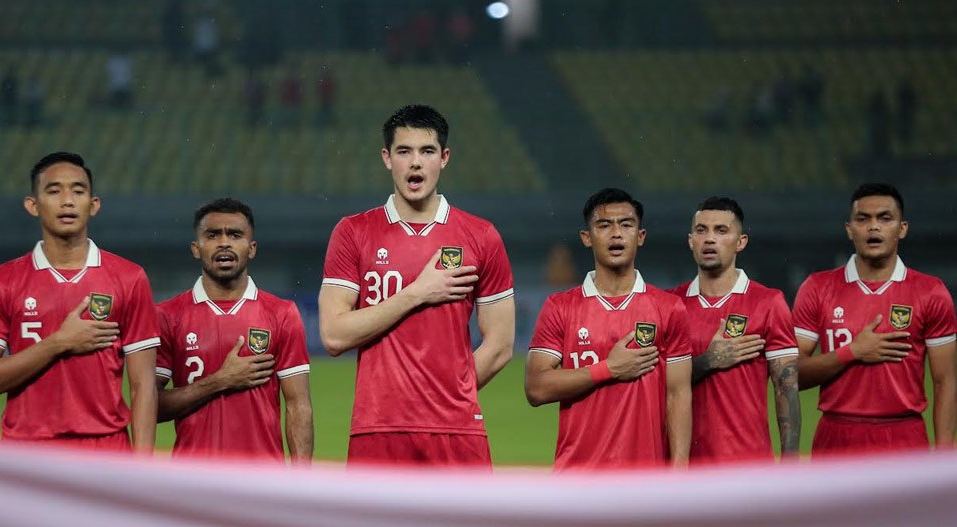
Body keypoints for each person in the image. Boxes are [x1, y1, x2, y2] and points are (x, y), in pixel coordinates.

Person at [319, 104, 515, 466]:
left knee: (464, 525)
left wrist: (449, 396)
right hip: (377, 428)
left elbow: (501, 345)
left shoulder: (481, 236)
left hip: (457, 430)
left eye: (426, 151)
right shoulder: (353, 232)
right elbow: (334, 335)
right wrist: (417, 292)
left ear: (444, 158)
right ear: (386, 158)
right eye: (403, 151)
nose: (415, 163)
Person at [0, 152, 159, 451]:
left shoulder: (129, 278)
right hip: (27, 454)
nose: (67, 200)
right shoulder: (4, 280)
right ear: (33, 205)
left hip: (105, 452)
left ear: (93, 205)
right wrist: (58, 343)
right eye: (54, 191)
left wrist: (144, 472)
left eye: (78, 191)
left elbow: (143, 385)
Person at [525, 188, 692, 470]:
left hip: (645, 481)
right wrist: (608, 369)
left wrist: (678, 471)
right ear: (586, 238)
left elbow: (678, 395)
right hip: (578, 482)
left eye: (626, 224)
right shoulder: (560, 307)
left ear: (640, 237)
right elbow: (536, 388)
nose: (616, 233)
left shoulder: (669, 308)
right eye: (604, 225)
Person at [793, 182, 956, 455]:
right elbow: (790, 375)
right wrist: (853, 352)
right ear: (849, 229)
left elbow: (946, 381)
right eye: (863, 219)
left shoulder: (930, 292)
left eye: (884, 218)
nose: (873, 227)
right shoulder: (817, 288)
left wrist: (944, 456)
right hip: (836, 436)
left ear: (902, 228)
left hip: (905, 438)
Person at [155, 198, 313, 462]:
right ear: (196, 248)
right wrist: (220, 381)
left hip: (261, 480)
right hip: (193, 480)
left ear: (251, 248)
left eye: (235, 234)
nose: (224, 242)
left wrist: (301, 482)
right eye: (213, 234)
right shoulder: (167, 315)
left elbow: (298, 406)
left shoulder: (281, 313)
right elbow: (149, 406)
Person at [671, 196, 800, 463]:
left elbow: (785, 386)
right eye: (701, 230)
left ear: (740, 242)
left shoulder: (768, 302)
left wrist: (790, 462)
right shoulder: (670, 305)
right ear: (690, 241)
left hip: (749, 467)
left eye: (721, 231)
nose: (709, 239)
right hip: (686, 468)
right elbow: (653, 384)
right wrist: (707, 361)